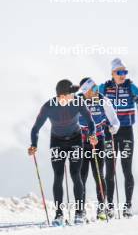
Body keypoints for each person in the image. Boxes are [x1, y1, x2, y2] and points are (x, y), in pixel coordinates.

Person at [28, 79, 97, 225]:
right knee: (58, 175)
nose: (74, 96)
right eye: (71, 94)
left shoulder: (78, 102)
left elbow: (91, 122)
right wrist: (34, 145)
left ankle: (79, 212)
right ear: (62, 96)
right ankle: (59, 214)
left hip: (75, 140)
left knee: (75, 174)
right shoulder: (48, 106)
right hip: (57, 142)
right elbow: (35, 129)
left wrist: (92, 135)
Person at [99, 58, 138, 218]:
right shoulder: (104, 87)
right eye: (119, 72)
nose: (123, 75)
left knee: (126, 169)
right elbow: (93, 100)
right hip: (109, 132)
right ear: (112, 73)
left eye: (124, 72)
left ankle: (127, 206)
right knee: (109, 170)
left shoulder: (130, 86)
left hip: (126, 131)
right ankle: (109, 207)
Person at [78, 77, 120, 220]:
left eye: (97, 88)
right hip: (81, 142)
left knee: (98, 174)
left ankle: (101, 208)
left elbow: (115, 120)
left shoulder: (103, 100)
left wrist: (114, 128)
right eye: (94, 89)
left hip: (99, 141)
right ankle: (80, 210)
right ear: (86, 91)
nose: (97, 91)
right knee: (81, 176)